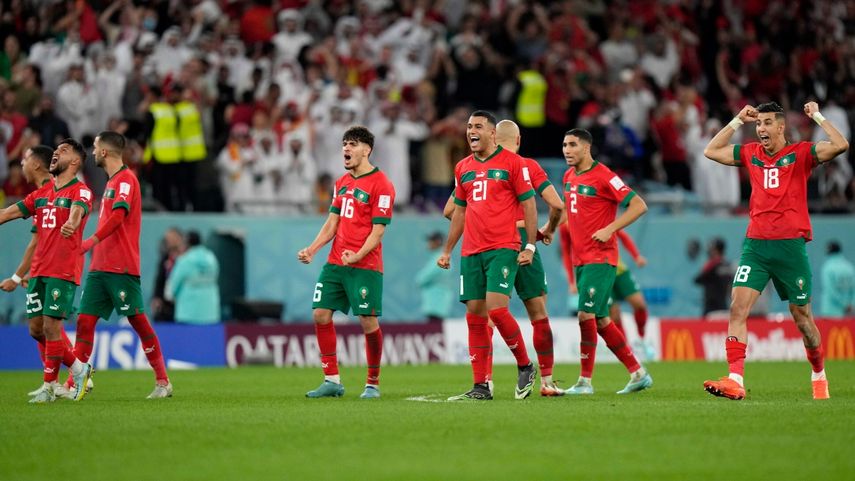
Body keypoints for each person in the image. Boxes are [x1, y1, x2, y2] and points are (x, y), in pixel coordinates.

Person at [701, 101, 849, 400]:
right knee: (738, 307)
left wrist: (816, 116)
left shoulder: (801, 153)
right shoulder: (751, 153)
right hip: (755, 246)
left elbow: (841, 144)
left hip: (790, 248)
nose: (761, 129)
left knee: (802, 318)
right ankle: (735, 379)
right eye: (758, 124)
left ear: (781, 127)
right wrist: (736, 122)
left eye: (767, 123)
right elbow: (711, 151)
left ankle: (818, 374)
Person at [437, 111, 538, 401]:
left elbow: (529, 205)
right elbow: (459, 211)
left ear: (493, 134)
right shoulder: (462, 168)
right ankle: (481, 385)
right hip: (471, 251)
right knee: (475, 316)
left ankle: (525, 365)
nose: (472, 131)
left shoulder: (513, 164)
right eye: (469, 126)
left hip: (502, 247)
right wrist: (447, 250)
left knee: (496, 309)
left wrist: (529, 245)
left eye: (478, 126)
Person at [297, 126, 395, 400]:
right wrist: (313, 249)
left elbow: (378, 231)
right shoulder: (341, 183)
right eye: (344, 144)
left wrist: (359, 254)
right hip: (336, 263)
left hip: (365, 265)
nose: (346, 149)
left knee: (367, 320)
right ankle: (331, 380)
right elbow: (332, 223)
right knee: (320, 313)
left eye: (352, 144)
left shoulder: (382, 184)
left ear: (367, 149)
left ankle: (372, 383)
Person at [75, 131, 173, 399]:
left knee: (138, 320)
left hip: (121, 266)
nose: (93, 152)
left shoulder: (126, 180)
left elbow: (119, 217)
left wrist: (89, 241)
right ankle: (76, 381)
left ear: (105, 152)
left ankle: (163, 381)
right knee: (84, 321)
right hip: (99, 268)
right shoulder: (111, 182)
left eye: (95, 147)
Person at [0, 139, 94, 403]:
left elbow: (77, 213)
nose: (56, 153)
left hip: (62, 268)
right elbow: (7, 213)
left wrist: (72, 224)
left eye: (63, 151)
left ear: (75, 162)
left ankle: (49, 386)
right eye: (55, 150)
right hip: (40, 270)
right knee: (36, 329)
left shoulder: (81, 191)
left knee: (53, 327)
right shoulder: (41, 194)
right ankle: (79, 369)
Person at [560, 128, 653, 395]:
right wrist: (549, 228)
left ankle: (584, 382)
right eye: (565, 145)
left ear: (586, 148)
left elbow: (638, 205)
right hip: (581, 259)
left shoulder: (604, 176)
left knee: (585, 315)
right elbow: (567, 212)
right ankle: (638, 373)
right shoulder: (568, 177)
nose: (567, 150)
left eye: (573, 145)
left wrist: (610, 228)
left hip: (601, 258)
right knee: (600, 320)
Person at [493, 119, 566, 396]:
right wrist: (547, 229)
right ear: (519, 140)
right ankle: (547, 382)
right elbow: (557, 204)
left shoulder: (479, 167)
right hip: (524, 239)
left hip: (491, 242)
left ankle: (483, 383)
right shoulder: (528, 166)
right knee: (538, 313)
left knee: (489, 314)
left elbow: (452, 210)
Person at [606, 231, 652, 358]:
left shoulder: (603, 215)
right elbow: (567, 251)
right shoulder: (570, 225)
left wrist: (636, 256)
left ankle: (642, 339)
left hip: (619, 271)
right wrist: (572, 281)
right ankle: (628, 353)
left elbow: (623, 236)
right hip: (601, 274)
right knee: (614, 315)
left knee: (640, 304)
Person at [165, 230, 221, 325]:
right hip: (210, 312)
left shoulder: (184, 260)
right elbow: (216, 276)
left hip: (187, 313)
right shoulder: (211, 258)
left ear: (187, 244)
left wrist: (170, 296)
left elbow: (173, 286)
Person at [415, 231, 453, 323]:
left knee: (435, 328)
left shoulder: (441, 258)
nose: (429, 243)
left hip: (436, 304)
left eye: (431, 241)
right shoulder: (441, 257)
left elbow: (421, 279)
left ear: (437, 242)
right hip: (437, 304)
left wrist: (420, 279)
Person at [694, 237, 735, 317]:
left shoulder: (712, 265)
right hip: (723, 307)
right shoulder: (729, 266)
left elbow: (697, 280)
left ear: (715, 250)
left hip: (711, 309)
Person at [151, 227, 184, 322]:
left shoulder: (186, 257)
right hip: (167, 301)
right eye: (167, 239)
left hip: (181, 299)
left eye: (172, 238)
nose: (169, 241)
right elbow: (159, 279)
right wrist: (156, 297)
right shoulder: (165, 258)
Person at [819, 241, 854, 318]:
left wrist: (843, 304)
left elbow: (830, 290)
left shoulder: (827, 267)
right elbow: (853, 290)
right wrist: (850, 305)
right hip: (847, 313)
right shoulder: (849, 267)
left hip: (830, 311)